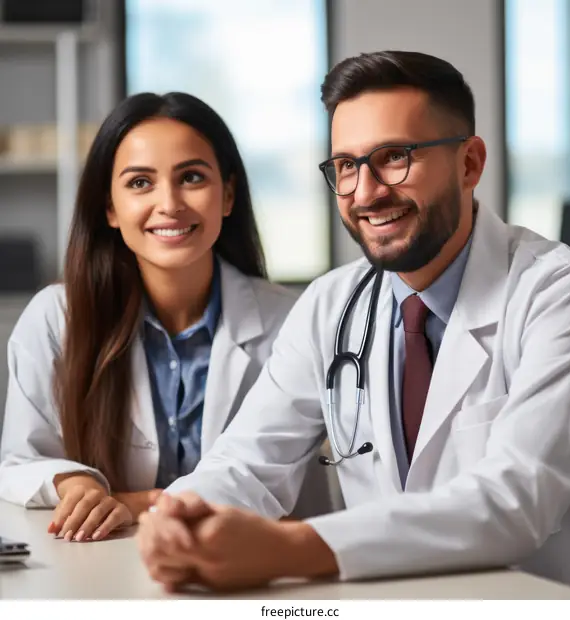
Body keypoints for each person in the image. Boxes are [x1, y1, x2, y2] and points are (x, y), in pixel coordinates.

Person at [136, 51, 570, 596]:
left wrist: (291, 549)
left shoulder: (564, 295)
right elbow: (248, 462)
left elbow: (515, 500)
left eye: (395, 157)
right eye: (348, 166)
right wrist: (182, 514)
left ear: (470, 164)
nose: (366, 191)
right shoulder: (331, 304)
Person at [0, 92, 332, 542]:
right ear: (110, 208)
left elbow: (266, 480)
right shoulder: (55, 318)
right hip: (105, 574)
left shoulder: (291, 321)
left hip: (264, 574)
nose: (170, 203)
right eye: (140, 183)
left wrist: (136, 501)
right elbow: (18, 464)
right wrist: (73, 482)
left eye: (191, 177)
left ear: (228, 194)